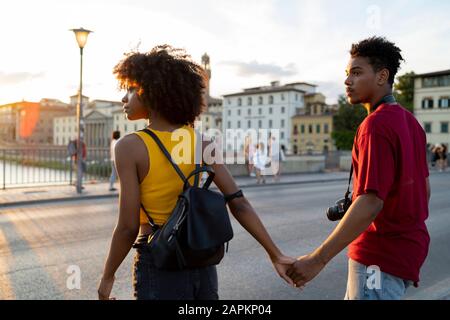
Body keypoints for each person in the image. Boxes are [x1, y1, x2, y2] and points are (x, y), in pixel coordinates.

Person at [98, 45, 295, 300]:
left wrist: (107, 278)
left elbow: (127, 227)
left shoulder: (129, 146)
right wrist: (275, 254)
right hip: (201, 261)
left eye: (132, 88)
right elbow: (239, 203)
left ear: (152, 92)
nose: (124, 98)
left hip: (159, 262)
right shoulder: (203, 142)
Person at [287, 37, 431, 300]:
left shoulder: (375, 126)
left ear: (381, 76)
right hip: (409, 252)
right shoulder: (412, 124)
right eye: (346, 73)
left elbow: (370, 202)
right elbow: (425, 190)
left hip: (379, 257)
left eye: (356, 72)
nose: (347, 81)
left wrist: (317, 259)